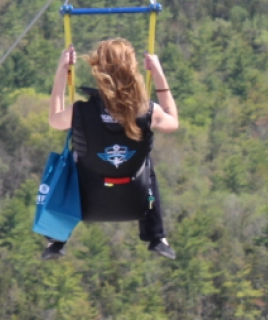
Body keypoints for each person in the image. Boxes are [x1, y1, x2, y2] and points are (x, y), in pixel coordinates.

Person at [43, 38, 180, 260]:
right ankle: (157, 235)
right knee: (145, 161)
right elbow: (173, 122)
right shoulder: (148, 111)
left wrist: (62, 71)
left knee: (70, 160)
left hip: (87, 202)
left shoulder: (80, 111)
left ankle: (56, 237)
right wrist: (158, 75)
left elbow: (54, 120)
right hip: (133, 200)